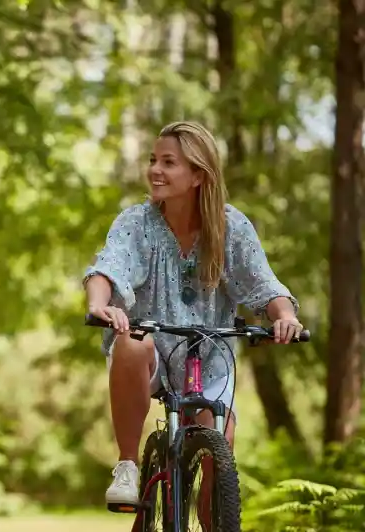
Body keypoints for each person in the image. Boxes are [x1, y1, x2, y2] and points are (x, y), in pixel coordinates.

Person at [82, 121, 303, 511]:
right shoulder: (137, 223)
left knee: (220, 457)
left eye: (169, 162)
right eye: (153, 160)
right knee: (131, 343)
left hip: (209, 357)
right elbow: (108, 267)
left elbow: (265, 285)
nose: (155, 170)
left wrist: (285, 316)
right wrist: (99, 302)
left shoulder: (231, 227)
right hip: (151, 351)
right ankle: (128, 465)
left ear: (198, 174)